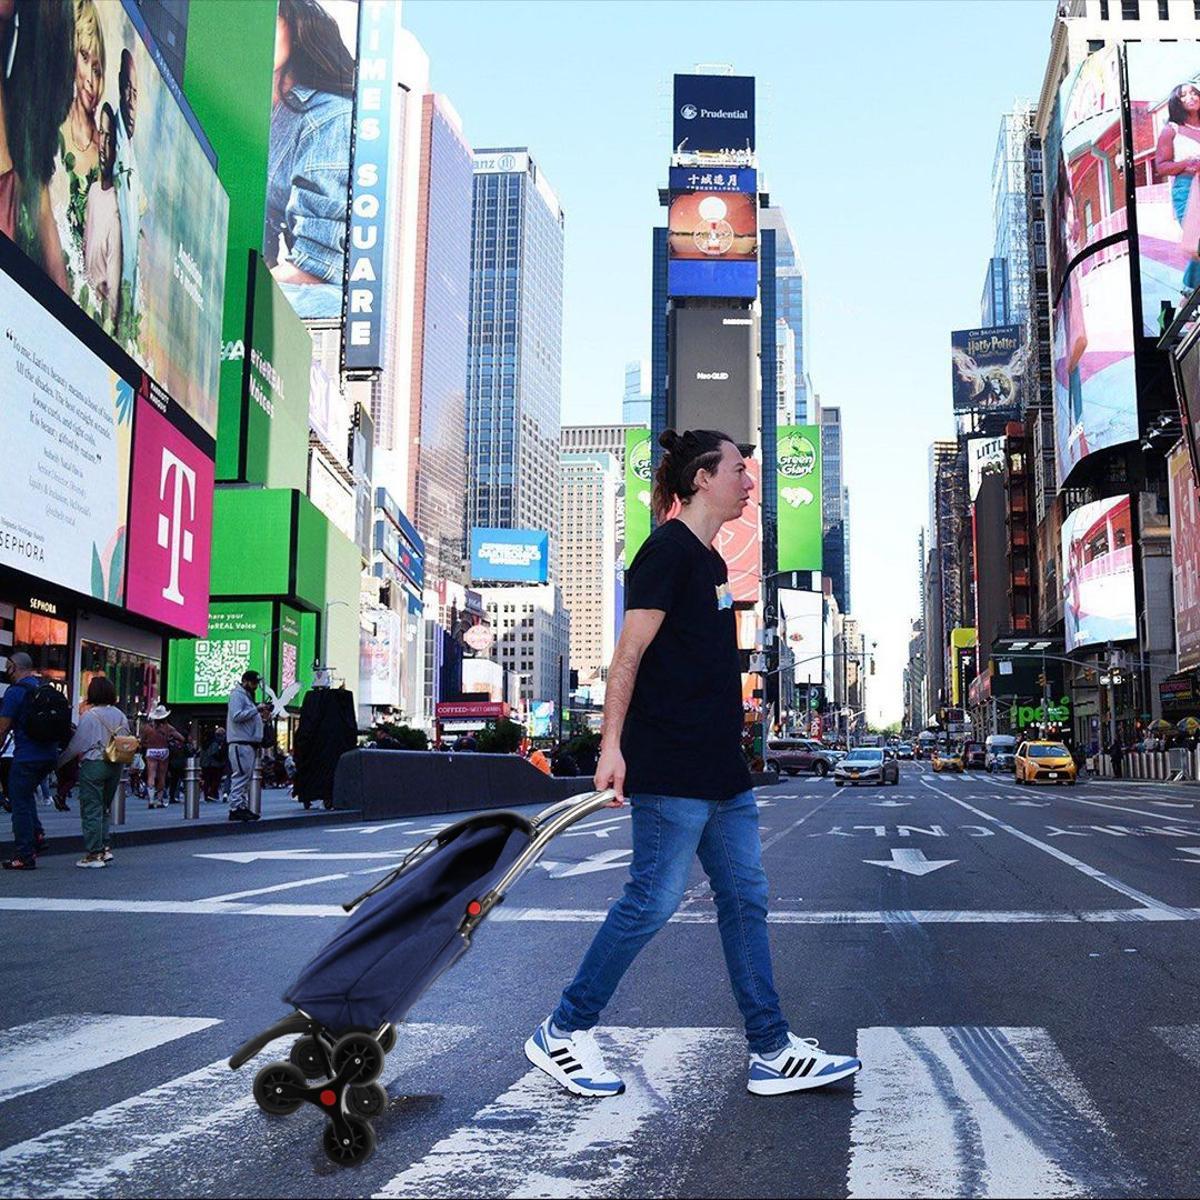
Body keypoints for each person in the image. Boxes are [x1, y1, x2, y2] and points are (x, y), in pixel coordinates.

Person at [524, 429, 861, 1099]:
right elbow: (628, 655)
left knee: (745, 900)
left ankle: (769, 1049)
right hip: (671, 765)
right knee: (651, 901)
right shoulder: (666, 553)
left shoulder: (710, 564)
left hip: (720, 772)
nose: (750, 481)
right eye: (740, 469)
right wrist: (611, 745)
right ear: (703, 478)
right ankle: (563, 1031)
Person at [264, 0, 354, 317]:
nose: (257, 26)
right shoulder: (264, 119)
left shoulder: (329, 118)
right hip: (288, 288)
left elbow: (318, 265)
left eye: (270, 15)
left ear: (296, 23)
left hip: (322, 302)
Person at [0, 652, 67, 870]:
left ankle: (24, 854)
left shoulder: (15, 693)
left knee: (19, 802)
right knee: (26, 795)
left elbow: (3, 728)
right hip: (49, 755)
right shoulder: (42, 688)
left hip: (27, 756)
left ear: (13, 667)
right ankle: (37, 835)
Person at [56, 675, 128, 868]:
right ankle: (105, 848)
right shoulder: (120, 715)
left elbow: (77, 745)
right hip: (116, 763)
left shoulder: (90, 715)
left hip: (94, 763)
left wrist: (59, 762)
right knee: (104, 806)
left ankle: (94, 853)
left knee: (91, 808)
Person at [1155, 80, 1200, 295]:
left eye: (1194, 92)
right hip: (1188, 188)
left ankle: (1188, 293)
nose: (1191, 97)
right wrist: (1186, 164)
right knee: (1198, 241)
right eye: (1184, 95)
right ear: (1177, 102)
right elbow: (1161, 166)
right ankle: (1189, 287)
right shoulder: (1171, 130)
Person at [113, 47, 144, 340]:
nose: (132, 102)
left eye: (136, 94)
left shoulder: (132, 156)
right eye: (127, 91)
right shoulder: (109, 141)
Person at [82, 101, 121, 332]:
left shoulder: (118, 211)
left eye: (110, 139)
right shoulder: (94, 192)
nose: (104, 146)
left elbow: (114, 295)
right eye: (102, 134)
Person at [226, 670, 268, 822]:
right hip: (240, 743)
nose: (256, 686)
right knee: (241, 776)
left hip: (246, 743)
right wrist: (256, 709)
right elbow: (237, 716)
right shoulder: (238, 695)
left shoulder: (245, 697)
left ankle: (240, 806)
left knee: (245, 777)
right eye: (254, 683)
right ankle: (236, 807)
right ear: (245, 681)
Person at [140, 704, 181, 808]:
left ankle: (150, 799)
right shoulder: (168, 728)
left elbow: (142, 741)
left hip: (151, 750)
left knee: (151, 775)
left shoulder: (147, 728)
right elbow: (181, 738)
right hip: (163, 750)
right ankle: (159, 799)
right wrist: (170, 739)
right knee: (162, 775)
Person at [200, 728, 228, 803]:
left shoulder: (204, 743)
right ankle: (212, 794)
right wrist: (221, 760)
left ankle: (207, 795)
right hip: (214, 765)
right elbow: (215, 753)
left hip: (205, 764)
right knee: (215, 780)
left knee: (207, 780)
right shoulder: (215, 743)